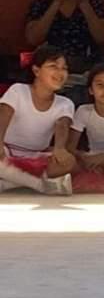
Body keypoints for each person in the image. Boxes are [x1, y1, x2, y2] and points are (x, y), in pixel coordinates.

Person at [24, 0, 104, 105]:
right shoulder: (41, 5)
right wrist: (57, 1)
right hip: (51, 70)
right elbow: (33, 39)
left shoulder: (94, 3)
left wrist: (82, 1)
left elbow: (103, 38)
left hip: (85, 69)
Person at [0, 44, 76, 195]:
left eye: (64, 68)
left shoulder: (65, 103)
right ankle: (38, 185)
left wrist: (59, 148)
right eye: (53, 66)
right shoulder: (18, 90)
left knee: (69, 162)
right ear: (36, 70)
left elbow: (62, 124)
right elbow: (4, 114)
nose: (60, 72)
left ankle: (9, 183)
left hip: (35, 156)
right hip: (5, 151)